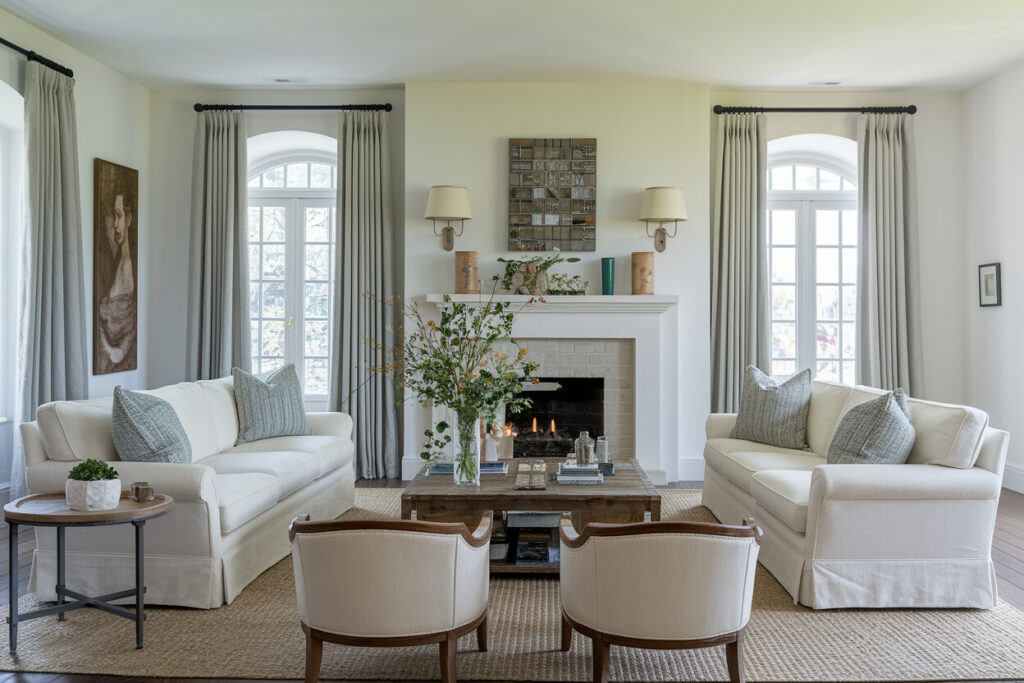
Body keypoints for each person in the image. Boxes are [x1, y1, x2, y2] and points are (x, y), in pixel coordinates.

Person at [97, 182, 137, 372]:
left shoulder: (131, 268)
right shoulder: (117, 263)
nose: (115, 224)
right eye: (114, 215)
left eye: (119, 215)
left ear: (129, 218)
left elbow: (128, 334)